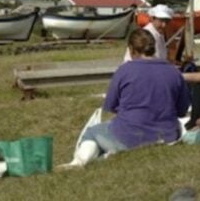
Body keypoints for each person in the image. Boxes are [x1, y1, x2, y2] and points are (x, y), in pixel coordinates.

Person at [61, 29, 190, 169]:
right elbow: (182, 109)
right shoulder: (174, 72)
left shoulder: (124, 70)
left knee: (92, 132)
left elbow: (110, 105)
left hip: (129, 136)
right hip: (166, 135)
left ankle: (79, 162)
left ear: (131, 49)